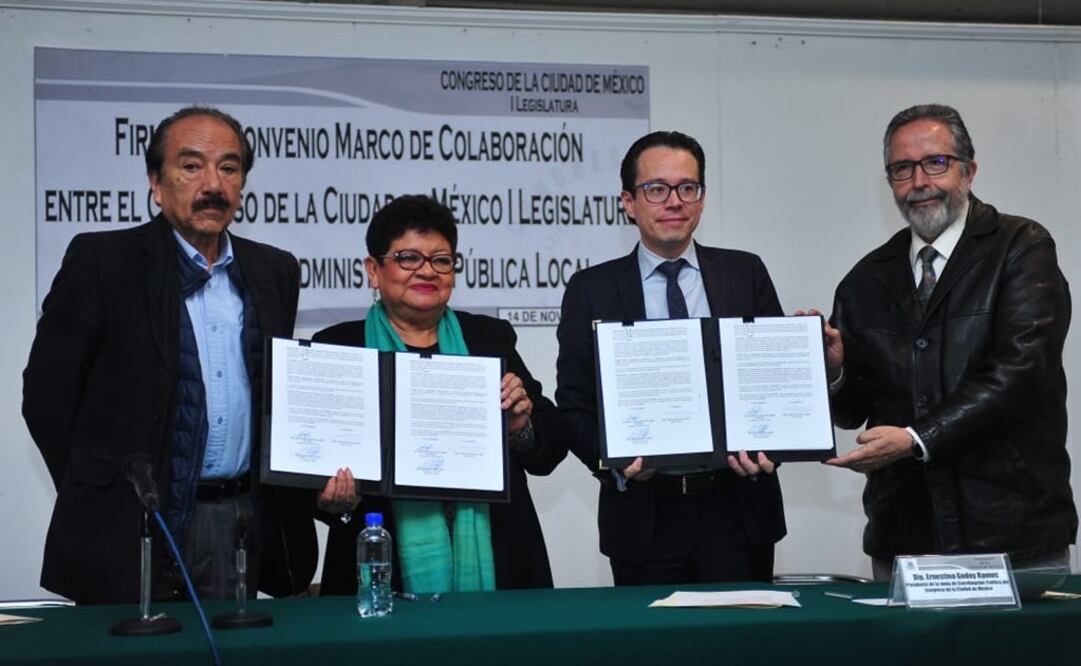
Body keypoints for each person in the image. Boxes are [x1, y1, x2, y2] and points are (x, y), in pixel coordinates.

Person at [23, 106, 317, 604]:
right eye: (191, 166)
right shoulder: (103, 262)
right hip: (139, 527)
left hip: (239, 519)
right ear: (156, 184)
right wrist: (103, 492)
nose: (213, 184)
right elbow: (47, 398)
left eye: (228, 167)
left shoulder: (275, 271)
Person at [822, 103, 1076, 580]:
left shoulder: (1021, 247)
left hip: (1011, 532)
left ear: (968, 171)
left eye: (935, 162)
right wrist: (836, 370)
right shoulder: (864, 280)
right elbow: (853, 411)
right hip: (904, 534)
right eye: (902, 168)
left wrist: (917, 439)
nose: (919, 181)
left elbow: (1021, 373)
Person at [555, 130, 786, 586]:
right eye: (656, 189)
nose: (674, 201)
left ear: (701, 198)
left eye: (688, 188)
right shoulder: (591, 289)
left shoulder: (746, 273)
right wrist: (613, 461)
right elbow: (575, 402)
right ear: (628, 201)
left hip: (737, 509)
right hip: (644, 515)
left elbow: (770, 386)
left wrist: (771, 447)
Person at [313, 194, 567, 595]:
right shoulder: (339, 349)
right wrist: (331, 500)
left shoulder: (488, 339)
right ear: (374, 271)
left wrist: (520, 425)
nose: (427, 271)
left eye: (442, 260)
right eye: (409, 258)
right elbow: (308, 479)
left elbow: (549, 449)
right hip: (381, 569)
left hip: (500, 562)